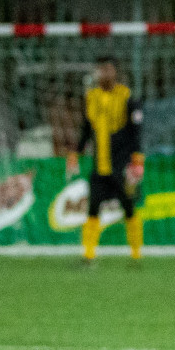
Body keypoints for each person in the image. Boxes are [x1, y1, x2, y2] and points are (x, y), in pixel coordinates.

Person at [65, 56, 143, 263]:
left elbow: (136, 131)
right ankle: (88, 254)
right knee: (93, 207)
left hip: (121, 164)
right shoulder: (92, 97)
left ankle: (136, 253)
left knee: (128, 207)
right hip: (99, 165)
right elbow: (86, 129)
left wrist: (137, 160)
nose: (104, 73)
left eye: (108, 69)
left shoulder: (127, 97)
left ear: (116, 72)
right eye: (101, 70)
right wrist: (76, 153)